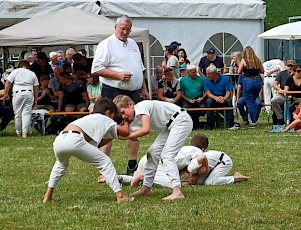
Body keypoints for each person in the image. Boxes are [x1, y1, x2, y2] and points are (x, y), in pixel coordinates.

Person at [43, 98, 133, 204]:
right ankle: (120, 196)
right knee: (105, 161)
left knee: (60, 165)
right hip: (74, 140)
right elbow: (126, 132)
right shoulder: (105, 118)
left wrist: (112, 136)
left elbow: (97, 144)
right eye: (114, 116)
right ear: (108, 113)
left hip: (59, 140)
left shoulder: (89, 119)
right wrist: (126, 120)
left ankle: (47, 196)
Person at [91, 15, 149, 175]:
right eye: (122, 29)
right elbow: (96, 69)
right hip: (113, 91)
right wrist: (118, 75)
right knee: (109, 128)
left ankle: (132, 165)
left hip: (134, 92)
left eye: (128, 29)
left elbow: (140, 68)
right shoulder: (106, 44)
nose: (125, 32)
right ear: (115, 27)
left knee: (134, 127)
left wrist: (143, 88)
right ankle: (105, 170)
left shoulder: (133, 44)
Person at [113, 95, 193, 200]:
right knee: (153, 152)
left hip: (181, 120)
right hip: (169, 126)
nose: (123, 117)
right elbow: (128, 135)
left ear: (130, 105)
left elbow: (145, 129)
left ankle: (177, 191)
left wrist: (128, 135)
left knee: (167, 155)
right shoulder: (134, 119)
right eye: (120, 115)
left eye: (123, 112)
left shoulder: (141, 107)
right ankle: (146, 187)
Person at [4, 60, 40, 138]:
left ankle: (18, 133)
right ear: (28, 66)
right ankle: (25, 133)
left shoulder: (15, 71)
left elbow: (8, 82)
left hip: (18, 93)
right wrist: (36, 99)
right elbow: (36, 87)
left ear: (20, 65)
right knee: (26, 114)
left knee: (17, 114)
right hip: (29, 93)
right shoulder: (32, 73)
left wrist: (6, 93)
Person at [237, 46, 264, 127]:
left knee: (250, 102)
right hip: (258, 81)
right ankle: (254, 119)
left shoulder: (244, 60)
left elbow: (239, 71)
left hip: (249, 81)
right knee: (255, 98)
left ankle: (253, 121)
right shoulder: (257, 60)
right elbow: (262, 70)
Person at [204, 65, 235, 130]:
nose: (207, 75)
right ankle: (210, 125)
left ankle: (230, 124)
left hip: (223, 98)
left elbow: (228, 92)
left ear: (214, 73)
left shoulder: (225, 78)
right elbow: (208, 93)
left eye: (209, 74)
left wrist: (224, 98)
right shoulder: (206, 80)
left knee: (229, 101)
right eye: (207, 74)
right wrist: (216, 98)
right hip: (213, 98)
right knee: (208, 101)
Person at [180, 65, 206, 129]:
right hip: (187, 99)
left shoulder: (201, 79)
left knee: (202, 108)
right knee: (185, 108)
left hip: (199, 98)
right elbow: (181, 93)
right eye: (193, 72)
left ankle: (196, 123)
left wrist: (202, 98)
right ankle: (190, 124)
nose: (195, 73)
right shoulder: (183, 80)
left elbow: (206, 91)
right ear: (188, 72)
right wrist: (188, 100)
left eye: (195, 71)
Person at [271, 60, 295, 125]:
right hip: (283, 95)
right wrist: (280, 90)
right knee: (274, 100)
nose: (290, 67)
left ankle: (288, 120)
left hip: (294, 95)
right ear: (286, 66)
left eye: (291, 66)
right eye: (288, 66)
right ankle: (280, 118)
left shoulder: (297, 74)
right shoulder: (282, 74)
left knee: (289, 101)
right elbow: (274, 84)